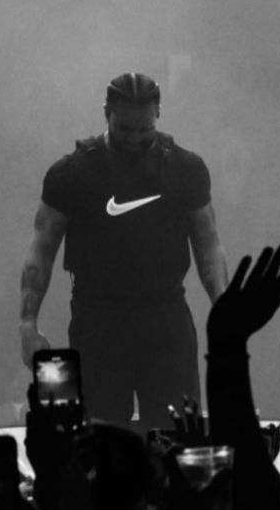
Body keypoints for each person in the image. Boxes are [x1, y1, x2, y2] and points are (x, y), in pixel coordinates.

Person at [19, 72, 228, 431]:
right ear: (106, 113)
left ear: (158, 114)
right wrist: (27, 323)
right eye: (124, 128)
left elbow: (208, 248)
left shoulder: (186, 169)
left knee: (176, 437)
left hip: (166, 320)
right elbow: (41, 252)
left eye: (144, 129)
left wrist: (225, 313)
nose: (134, 138)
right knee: (98, 440)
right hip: (98, 321)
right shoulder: (71, 173)